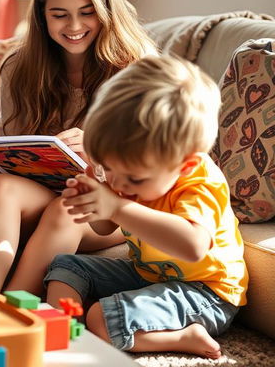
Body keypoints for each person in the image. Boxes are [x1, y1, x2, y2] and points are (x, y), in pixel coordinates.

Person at [0, 0, 156, 295]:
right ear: (42, 17)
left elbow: (158, 163)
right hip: (45, 191)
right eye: (60, 15)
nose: (74, 26)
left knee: (67, 208)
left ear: (105, 11)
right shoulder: (18, 67)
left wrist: (100, 150)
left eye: (87, 13)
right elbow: (9, 153)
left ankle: (13, 312)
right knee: (0, 189)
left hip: (113, 205)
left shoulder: (137, 67)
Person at [48, 56, 247, 359]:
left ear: (185, 164)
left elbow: (193, 246)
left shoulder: (201, 182)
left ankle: (182, 337)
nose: (120, 183)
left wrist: (115, 207)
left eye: (135, 179)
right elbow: (105, 227)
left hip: (206, 291)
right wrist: (94, 204)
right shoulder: (125, 172)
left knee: (102, 318)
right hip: (151, 274)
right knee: (67, 265)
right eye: (110, 168)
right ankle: (64, 330)